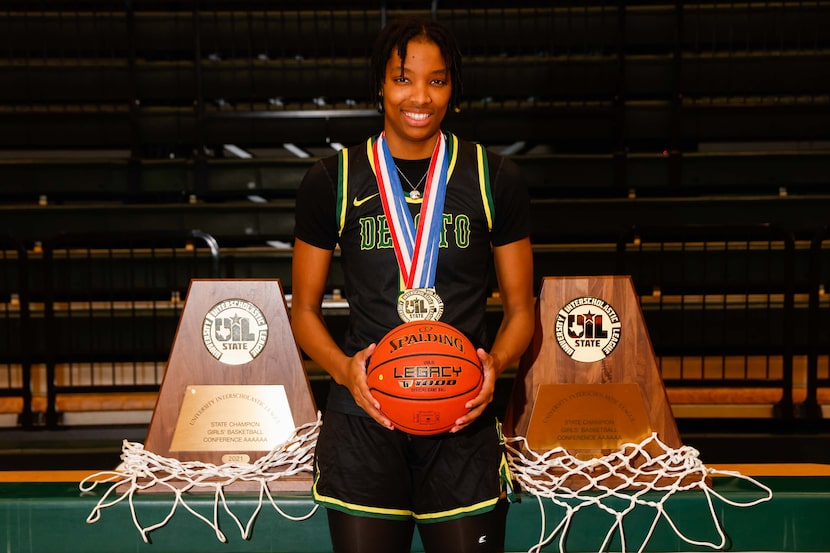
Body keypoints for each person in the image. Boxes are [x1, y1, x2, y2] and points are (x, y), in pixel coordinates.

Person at [291, 14, 535, 553]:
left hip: (462, 418)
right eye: (403, 78)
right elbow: (303, 312)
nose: (419, 96)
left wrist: (495, 364)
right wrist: (345, 372)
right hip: (364, 418)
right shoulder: (332, 180)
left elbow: (522, 311)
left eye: (437, 79)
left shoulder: (494, 178)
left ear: (454, 88)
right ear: (379, 84)